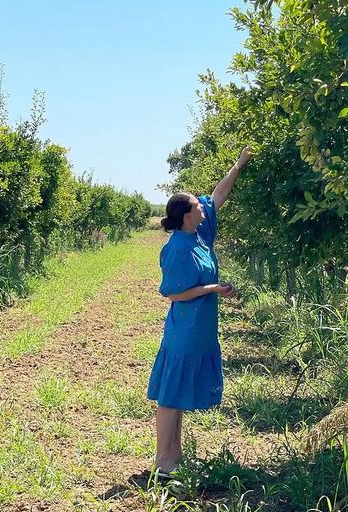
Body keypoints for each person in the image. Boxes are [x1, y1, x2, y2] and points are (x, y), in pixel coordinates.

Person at [147, 146, 253, 476]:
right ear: (185, 215)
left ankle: (174, 457)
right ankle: (163, 461)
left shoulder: (201, 234)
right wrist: (212, 288)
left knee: (178, 392)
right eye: (197, 204)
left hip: (201, 328)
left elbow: (218, 195)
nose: (203, 205)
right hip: (185, 330)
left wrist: (239, 163)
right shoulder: (177, 249)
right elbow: (174, 294)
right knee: (171, 392)